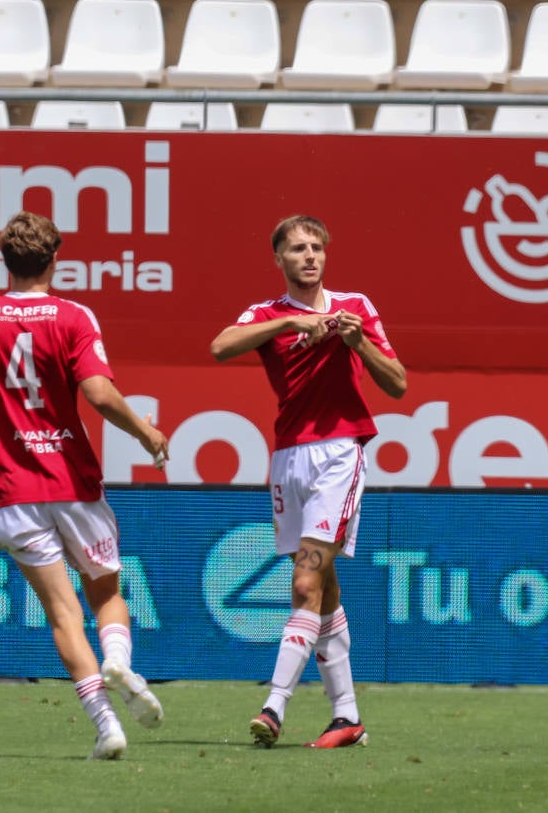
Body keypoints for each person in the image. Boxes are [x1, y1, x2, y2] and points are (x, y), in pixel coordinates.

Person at [0, 211, 170, 761]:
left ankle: (106, 725)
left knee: (63, 615)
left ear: (4, 262)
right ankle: (118, 661)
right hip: (72, 481)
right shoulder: (73, 316)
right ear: (55, 259)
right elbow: (101, 394)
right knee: (106, 592)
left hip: (13, 492)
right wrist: (148, 432)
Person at [209, 214, 407, 750]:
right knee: (323, 590)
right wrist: (288, 326)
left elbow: (398, 383)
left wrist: (358, 342)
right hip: (289, 459)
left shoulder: (357, 308)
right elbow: (220, 347)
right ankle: (347, 717)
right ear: (279, 259)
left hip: (340, 454)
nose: (309, 256)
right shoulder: (267, 314)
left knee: (303, 584)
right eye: (297, 249)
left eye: (316, 247)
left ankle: (274, 706)